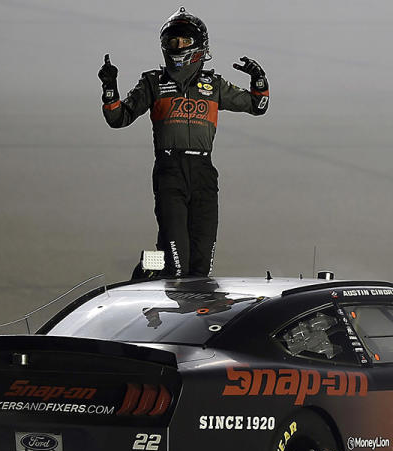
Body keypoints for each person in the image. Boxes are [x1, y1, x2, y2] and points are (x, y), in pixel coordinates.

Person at [98, 6, 269, 278]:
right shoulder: (153, 82)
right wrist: (109, 88)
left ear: (200, 45)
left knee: (201, 266)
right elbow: (118, 117)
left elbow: (258, 105)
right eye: (173, 41)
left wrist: (258, 78)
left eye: (185, 41)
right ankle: (150, 281)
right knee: (177, 261)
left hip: (204, 172)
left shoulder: (213, 85)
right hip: (170, 171)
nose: (178, 46)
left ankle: (194, 313)